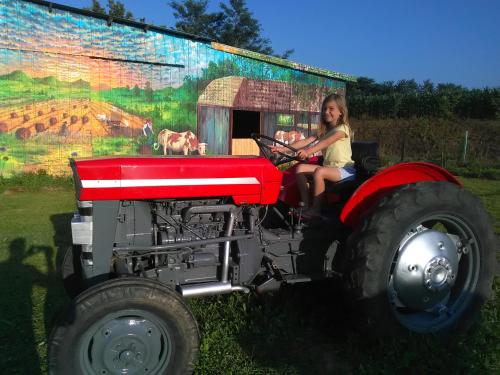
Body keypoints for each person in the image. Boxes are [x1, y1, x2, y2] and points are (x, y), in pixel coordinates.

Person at [271, 93, 355, 218]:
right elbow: (305, 141)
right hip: (330, 169)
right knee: (300, 169)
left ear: (341, 112)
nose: (326, 112)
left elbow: (326, 142)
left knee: (319, 172)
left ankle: (316, 210)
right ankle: (305, 205)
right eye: (324, 109)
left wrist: (308, 152)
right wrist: (282, 149)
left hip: (344, 169)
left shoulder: (343, 129)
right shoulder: (324, 130)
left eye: (331, 109)